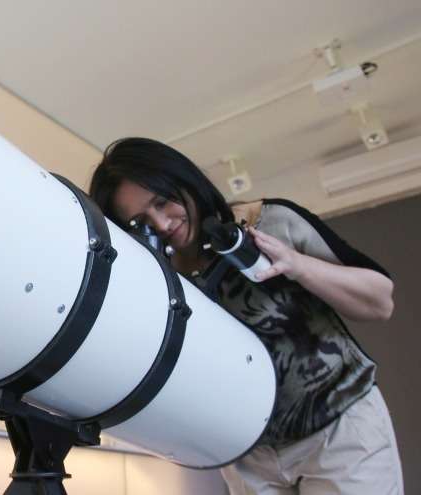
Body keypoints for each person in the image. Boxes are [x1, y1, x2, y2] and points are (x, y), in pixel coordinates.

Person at [89, 137, 404, 494]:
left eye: (163, 202)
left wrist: (297, 265)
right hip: (246, 458)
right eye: (140, 221)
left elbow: (380, 301)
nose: (161, 224)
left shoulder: (270, 222)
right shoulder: (159, 280)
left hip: (339, 431)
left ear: (185, 181)